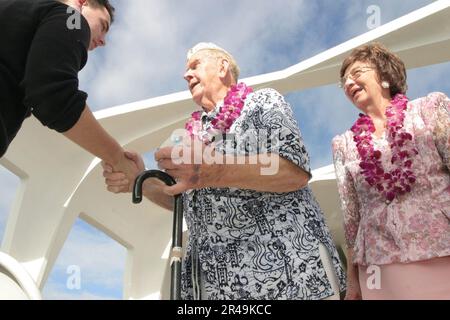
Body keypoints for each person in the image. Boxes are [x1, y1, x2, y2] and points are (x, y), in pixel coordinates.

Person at [103, 42, 346, 300]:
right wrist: (141, 181)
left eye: (195, 65)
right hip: (213, 287)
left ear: (222, 67)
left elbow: (292, 170)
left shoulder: (262, 101)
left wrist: (215, 170)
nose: (186, 75)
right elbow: (183, 201)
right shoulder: (184, 136)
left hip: (290, 276)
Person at [332, 42, 450, 300]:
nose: (349, 82)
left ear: (384, 75)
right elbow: (351, 216)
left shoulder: (430, 108)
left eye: (357, 73)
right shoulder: (343, 144)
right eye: (344, 81)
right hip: (380, 265)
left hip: (442, 247)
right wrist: (352, 281)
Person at [0, 0, 137, 186]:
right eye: (103, 26)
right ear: (82, 3)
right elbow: (53, 96)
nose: (104, 41)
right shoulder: (73, 18)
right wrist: (117, 158)